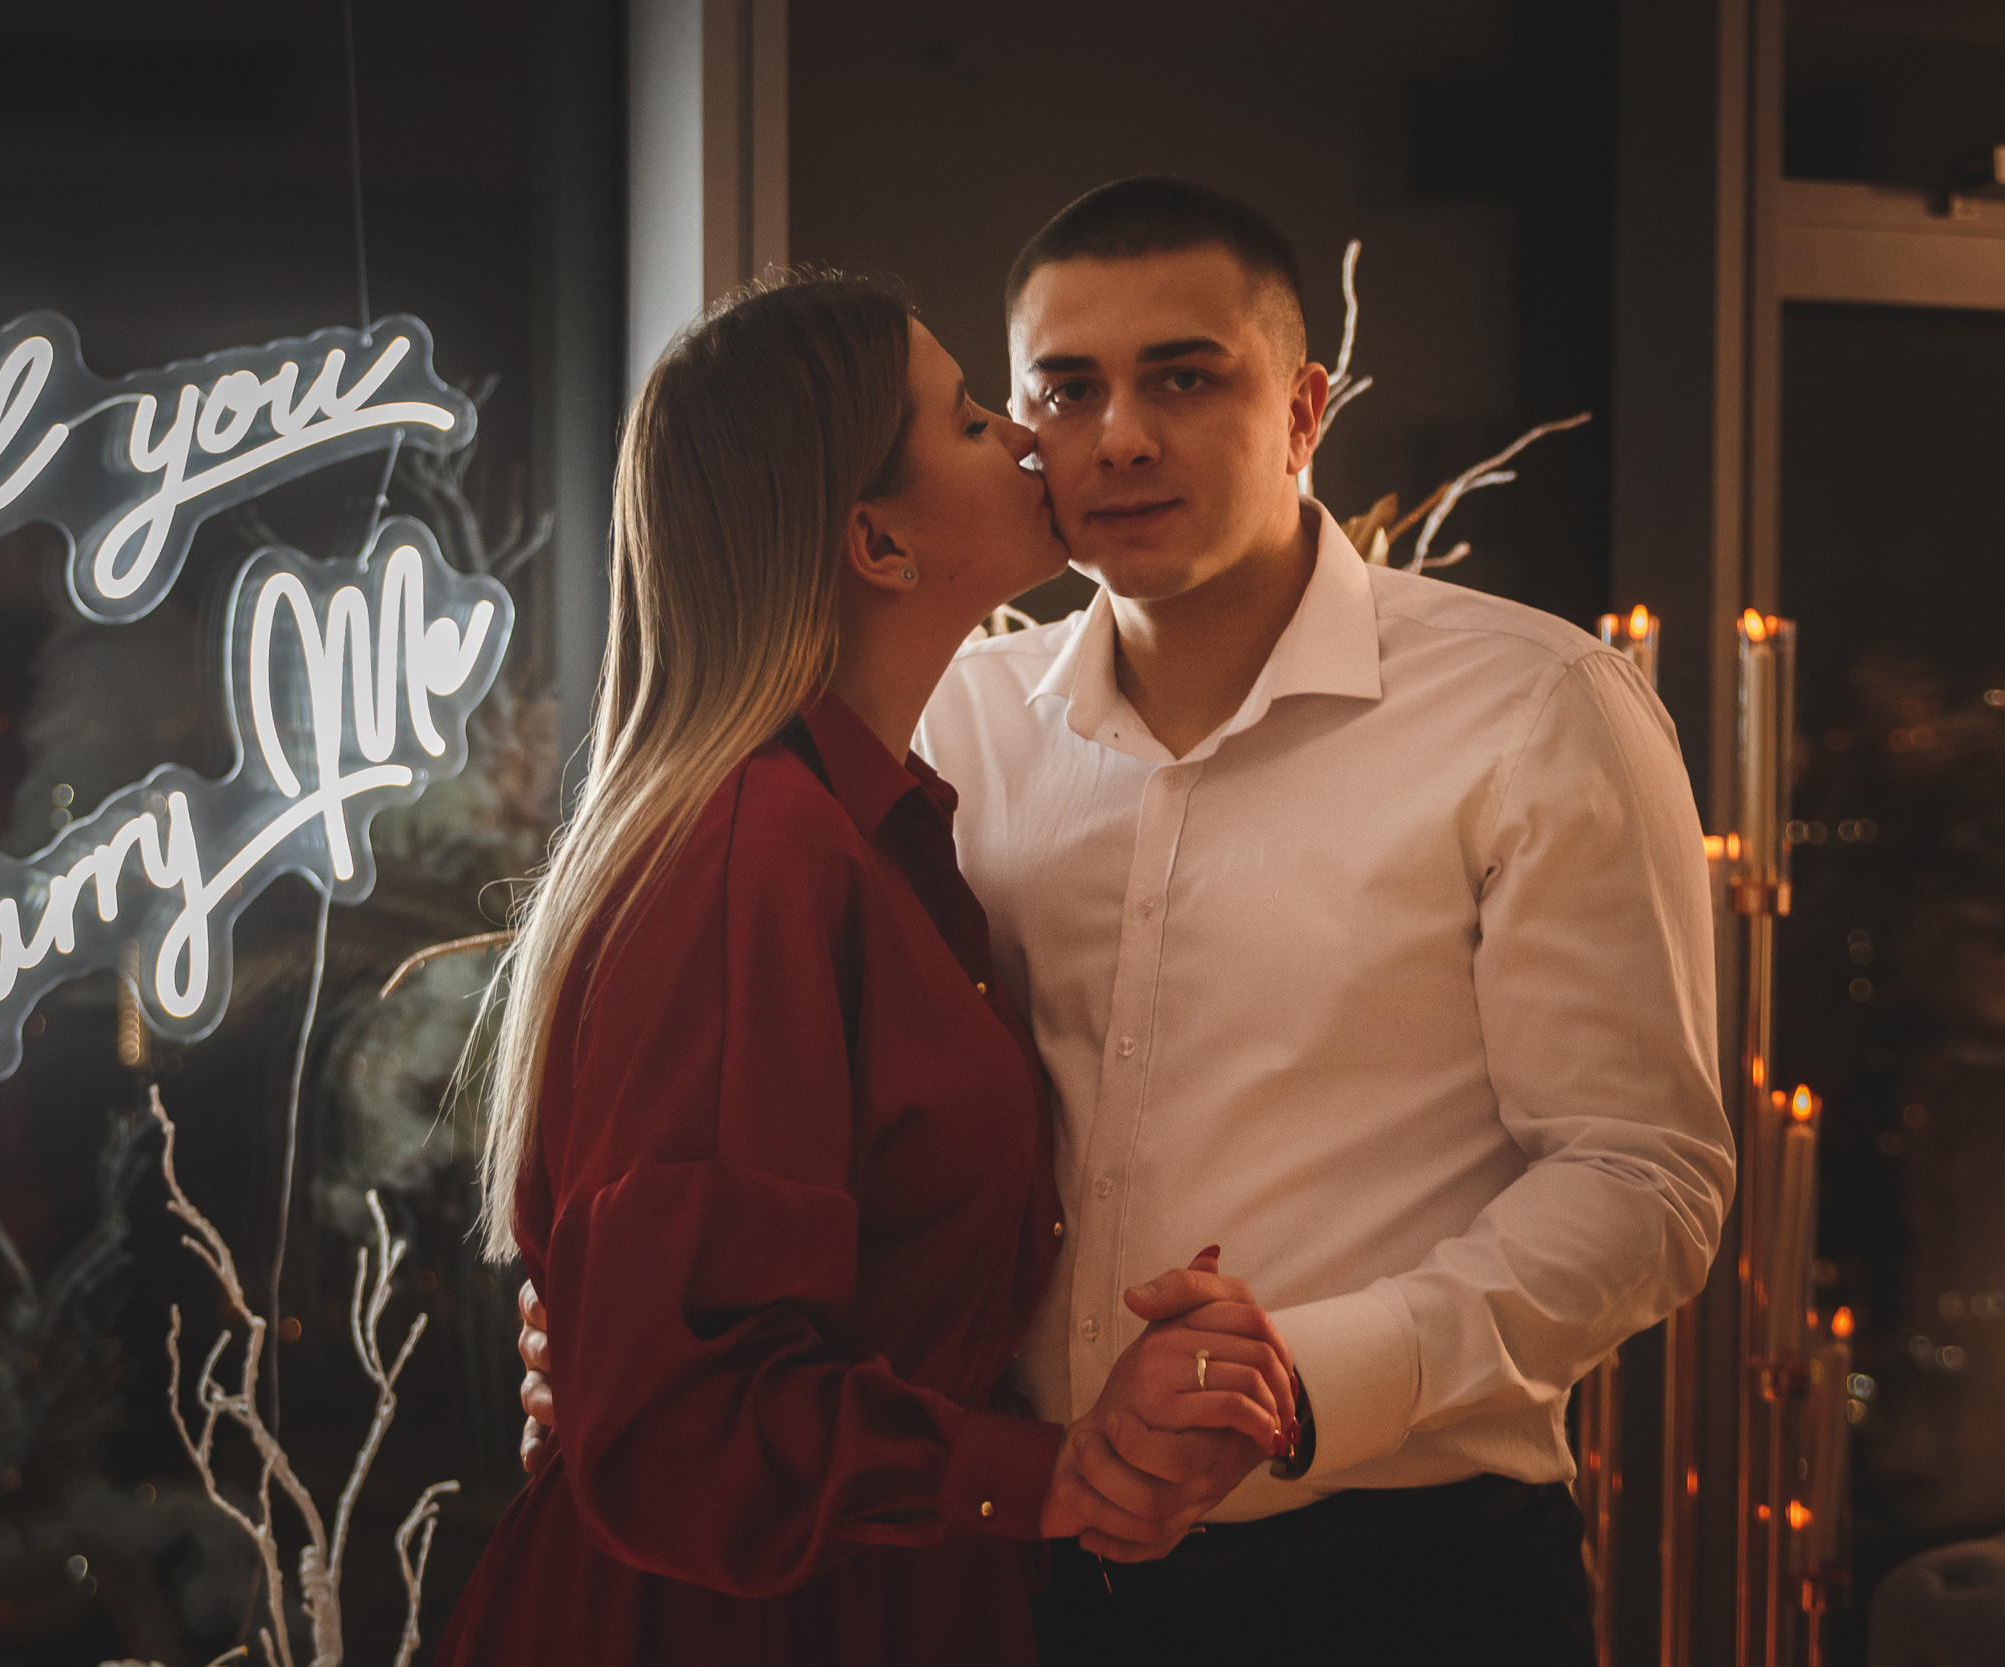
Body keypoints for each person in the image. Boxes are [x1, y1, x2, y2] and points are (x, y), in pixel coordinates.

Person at [513, 178, 1737, 1666]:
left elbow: (1643, 1179)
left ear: (1304, 410)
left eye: (1184, 377)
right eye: (1059, 391)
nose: (1120, 436)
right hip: (999, 1578)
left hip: (1399, 1575)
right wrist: (637, 1357)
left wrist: (1303, 1377)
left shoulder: (1537, 710)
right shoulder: (937, 726)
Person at [434, 273, 1301, 1667]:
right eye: (971, 420)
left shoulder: (875, 825)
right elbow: (678, 1416)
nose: (1031, 438)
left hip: (868, 1590)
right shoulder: (757, 850)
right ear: (878, 542)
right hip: (726, 1622)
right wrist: (1055, 1472)